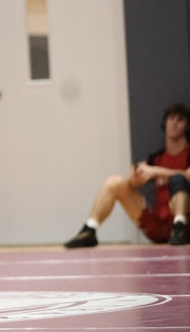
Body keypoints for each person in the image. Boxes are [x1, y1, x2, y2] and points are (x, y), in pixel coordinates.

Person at [64, 103, 190, 248]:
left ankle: (179, 224)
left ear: (187, 126)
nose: (174, 123)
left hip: (185, 224)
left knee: (178, 179)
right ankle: (89, 229)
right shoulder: (155, 158)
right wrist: (135, 179)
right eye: (171, 118)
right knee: (114, 182)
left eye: (179, 119)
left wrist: (157, 171)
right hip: (158, 225)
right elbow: (133, 185)